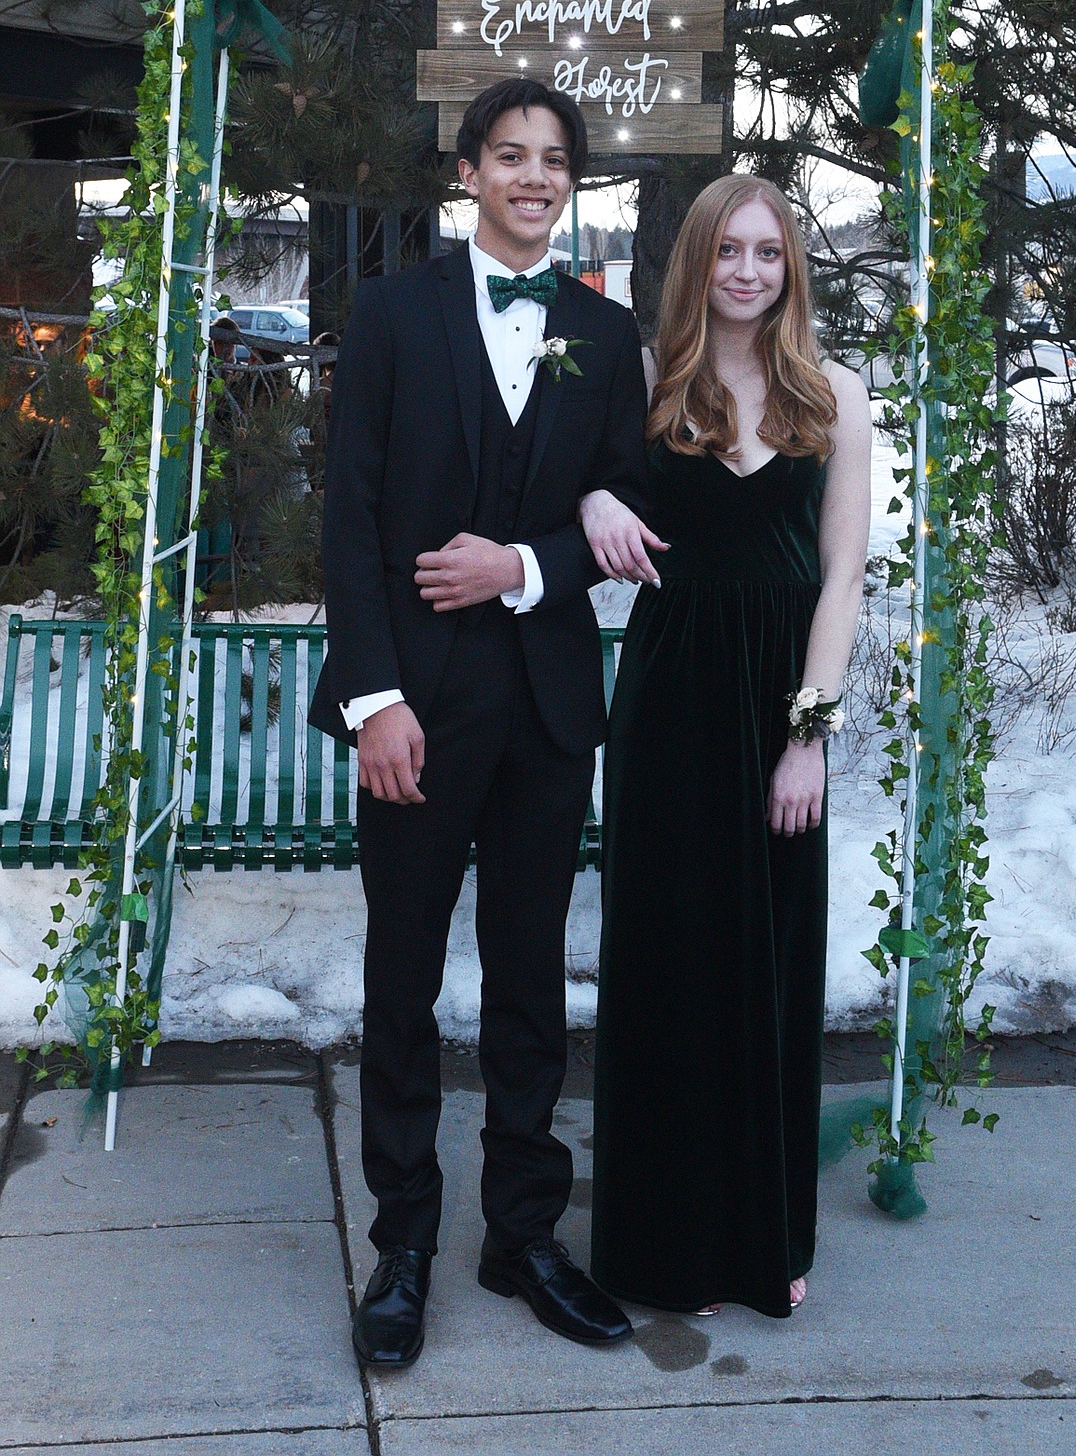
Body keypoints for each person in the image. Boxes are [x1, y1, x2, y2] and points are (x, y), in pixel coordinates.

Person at [308, 78, 649, 1368]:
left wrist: (524, 567)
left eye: (554, 160)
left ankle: (522, 1234)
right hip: (419, 712)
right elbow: (351, 520)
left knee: (527, 981)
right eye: (509, 156)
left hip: (550, 712)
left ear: (572, 183)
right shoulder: (394, 316)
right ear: (468, 174)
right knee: (400, 978)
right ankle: (403, 1242)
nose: (533, 177)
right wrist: (376, 699)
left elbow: (614, 516)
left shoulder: (607, 339)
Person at [580, 174, 871, 1320]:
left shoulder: (834, 394)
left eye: (768, 252)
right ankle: (665, 1246)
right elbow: (574, 496)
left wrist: (810, 734)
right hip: (669, 701)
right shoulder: (647, 385)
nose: (748, 271)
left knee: (771, 966)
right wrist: (601, 504)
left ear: (790, 265)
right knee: (669, 970)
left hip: (777, 706)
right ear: (695, 261)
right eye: (727, 252)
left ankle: (763, 1234)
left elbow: (841, 576)